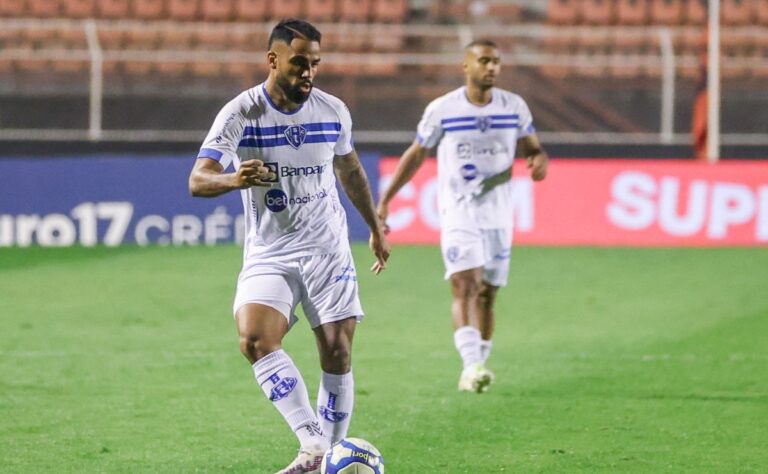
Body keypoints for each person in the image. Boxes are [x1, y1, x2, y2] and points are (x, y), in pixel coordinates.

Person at [188, 19, 390, 474]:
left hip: (326, 247)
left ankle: (324, 461)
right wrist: (233, 178)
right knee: (255, 338)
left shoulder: (333, 110)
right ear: (273, 59)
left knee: (336, 350)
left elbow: (351, 170)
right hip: (270, 249)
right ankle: (316, 447)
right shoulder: (240, 113)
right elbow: (197, 180)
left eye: (315, 63)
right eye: (300, 62)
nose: (309, 72)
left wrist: (375, 226)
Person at [377, 39, 548, 394]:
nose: (492, 68)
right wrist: (387, 199)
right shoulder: (443, 109)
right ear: (465, 67)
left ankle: (479, 366)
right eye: (484, 61)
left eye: (497, 62)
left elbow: (532, 147)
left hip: (500, 214)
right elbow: (417, 153)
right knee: (465, 285)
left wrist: (537, 161)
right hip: (459, 212)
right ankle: (470, 365)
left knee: (488, 294)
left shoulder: (514, 107)